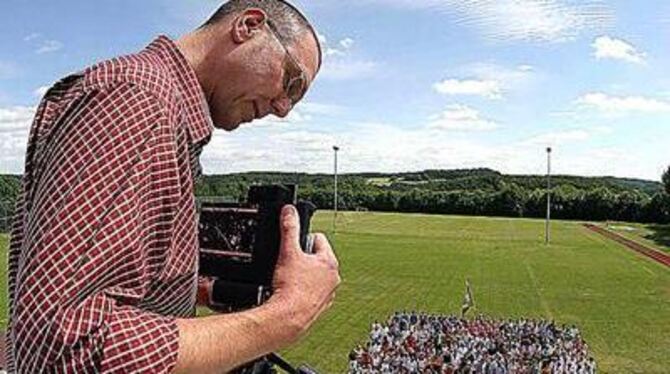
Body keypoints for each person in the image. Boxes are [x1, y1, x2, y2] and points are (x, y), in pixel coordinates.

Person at [5, 0, 340, 373]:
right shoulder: (139, 101)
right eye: (292, 83)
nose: (283, 109)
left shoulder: (162, 111)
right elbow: (60, 348)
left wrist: (200, 292)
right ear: (248, 26)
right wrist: (285, 317)